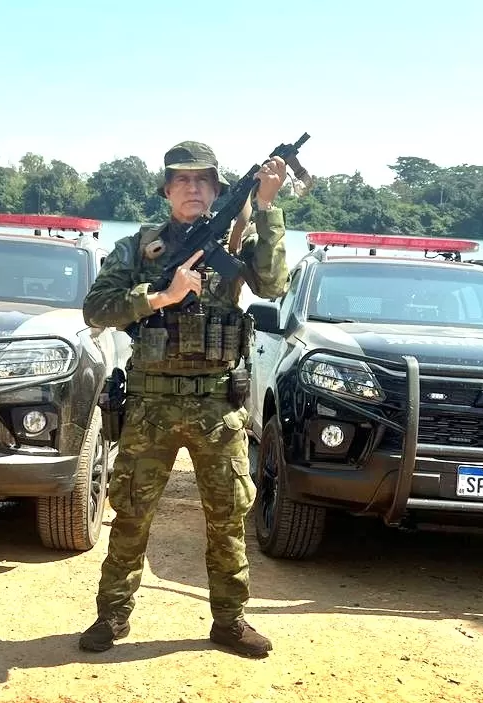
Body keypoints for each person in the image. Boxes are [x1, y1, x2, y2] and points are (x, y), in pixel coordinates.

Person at [79, 141, 289, 658]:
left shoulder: (234, 243)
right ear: (167, 190)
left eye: (203, 181)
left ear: (217, 190)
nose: (192, 189)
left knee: (227, 518)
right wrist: (160, 296)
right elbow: (95, 309)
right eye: (182, 181)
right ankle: (112, 617)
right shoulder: (137, 248)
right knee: (130, 515)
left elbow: (273, 283)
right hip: (150, 406)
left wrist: (266, 206)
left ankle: (230, 622)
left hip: (219, 406)